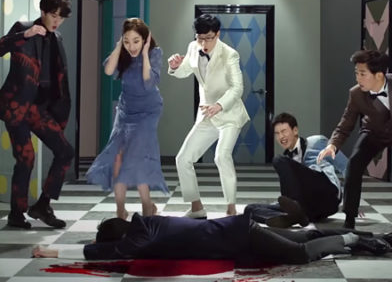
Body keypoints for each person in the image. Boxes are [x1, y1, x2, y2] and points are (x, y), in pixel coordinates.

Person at [318, 50, 392, 235]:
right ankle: (349, 219)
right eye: (356, 73)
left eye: (362, 73)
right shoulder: (356, 94)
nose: (357, 78)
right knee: (354, 165)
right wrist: (332, 145)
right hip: (374, 132)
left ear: (379, 75)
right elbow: (346, 123)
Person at [32, 212, 392, 262]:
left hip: (242, 237)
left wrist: (56, 253)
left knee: (300, 253)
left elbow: (117, 252)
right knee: (306, 233)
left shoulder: (141, 235)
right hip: (238, 230)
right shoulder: (148, 223)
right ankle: (380, 237)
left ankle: (353, 241)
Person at [0, 0, 74, 229]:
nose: (56, 21)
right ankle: (16, 214)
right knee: (26, 158)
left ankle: (43, 205)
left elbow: (58, 76)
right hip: (17, 107)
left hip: (39, 109)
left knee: (65, 151)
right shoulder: (23, 28)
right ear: (43, 11)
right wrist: (25, 34)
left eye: (61, 17)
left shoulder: (57, 38)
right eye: (53, 15)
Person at [168, 14, 249, 217]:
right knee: (183, 158)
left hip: (229, 114)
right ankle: (197, 207)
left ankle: (231, 209)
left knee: (221, 156)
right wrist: (175, 67)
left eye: (208, 38)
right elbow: (185, 70)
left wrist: (219, 105)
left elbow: (237, 88)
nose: (203, 44)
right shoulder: (193, 47)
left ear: (218, 34)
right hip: (206, 115)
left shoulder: (230, 54)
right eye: (200, 38)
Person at [86, 18, 168, 219]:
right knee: (117, 156)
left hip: (148, 111)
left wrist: (145, 53)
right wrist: (118, 46)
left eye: (136, 41)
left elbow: (149, 82)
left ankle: (147, 205)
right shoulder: (122, 53)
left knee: (137, 156)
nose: (131, 46)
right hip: (126, 109)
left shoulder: (155, 53)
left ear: (145, 39)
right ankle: (120, 209)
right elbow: (108, 70)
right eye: (127, 41)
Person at [245, 112, 347, 228]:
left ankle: (293, 213)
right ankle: (295, 216)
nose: (281, 137)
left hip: (328, 195)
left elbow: (346, 166)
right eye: (277, 133)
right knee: (250, 209)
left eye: (284, 131)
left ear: (295, 131)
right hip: (309, 206)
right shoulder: (287, 160)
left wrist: (351, 204)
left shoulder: (316, 142)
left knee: (278, 160)